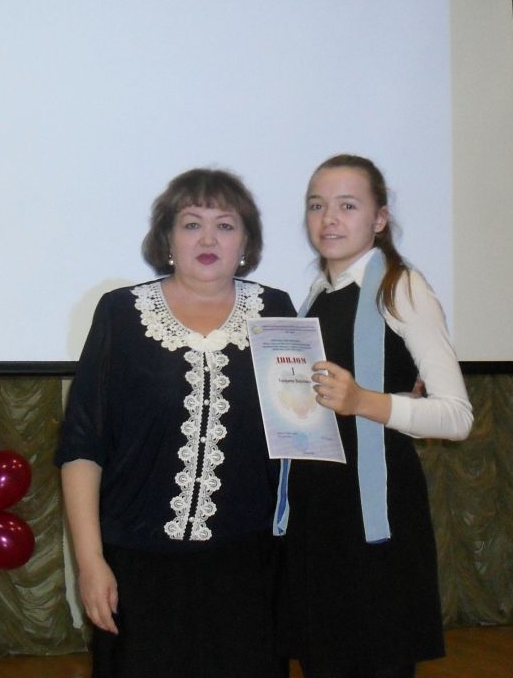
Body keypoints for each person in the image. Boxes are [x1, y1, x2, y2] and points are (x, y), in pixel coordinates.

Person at [55, 168, 294, 678]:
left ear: (246, 242)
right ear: (167, 238)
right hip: (137, 565)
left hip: (247, 570)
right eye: (191, 224)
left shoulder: (275, 311)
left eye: (225, 225)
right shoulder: (121, 314)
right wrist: (90, 563)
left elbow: (302, 426)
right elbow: (82, 446)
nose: (208, 239)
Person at [274, 154, 473, 678]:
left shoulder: (400, 288)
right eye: (317, 206)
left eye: (347, 206)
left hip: (376, 517)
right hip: (317, 513)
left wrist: (365, 401)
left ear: (379, 219)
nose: (328, 219)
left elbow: (457, 416)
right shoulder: (316, 296)